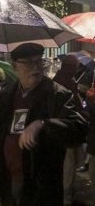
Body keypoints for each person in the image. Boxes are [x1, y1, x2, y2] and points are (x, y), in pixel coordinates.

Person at [0, 43, 88, 205]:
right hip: (7, 176)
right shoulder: (6, 95)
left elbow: (78, 129)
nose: (36, 67)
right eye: (29, 63)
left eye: (39, 61)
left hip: (39, 183)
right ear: (15, 66)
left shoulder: (58, 94)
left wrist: (44, 124)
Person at [52, 54, 87, 204]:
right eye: (75, 67)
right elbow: (75, 106)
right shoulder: (64, 83)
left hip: (63, 129)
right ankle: (65, 197)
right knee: (67, 165)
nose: (76, 69)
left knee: (67, 165)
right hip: (64, 131)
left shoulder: (59, 80)